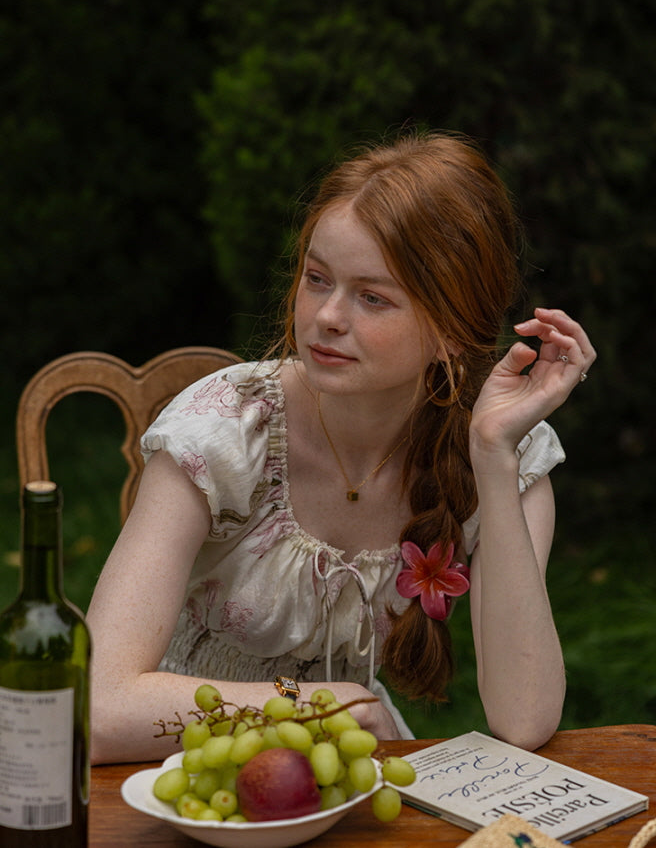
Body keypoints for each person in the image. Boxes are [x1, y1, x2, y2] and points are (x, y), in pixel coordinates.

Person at [87, 131, 595, 764]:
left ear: (451, 329)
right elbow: (99, 707)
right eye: (317, 278)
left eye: (373, 297)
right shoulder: (227, 428)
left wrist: (492, 456)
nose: (327, 316)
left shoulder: (501, 451)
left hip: (346, 756)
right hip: (180, 743)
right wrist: (313, 706)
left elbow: (524, 719)